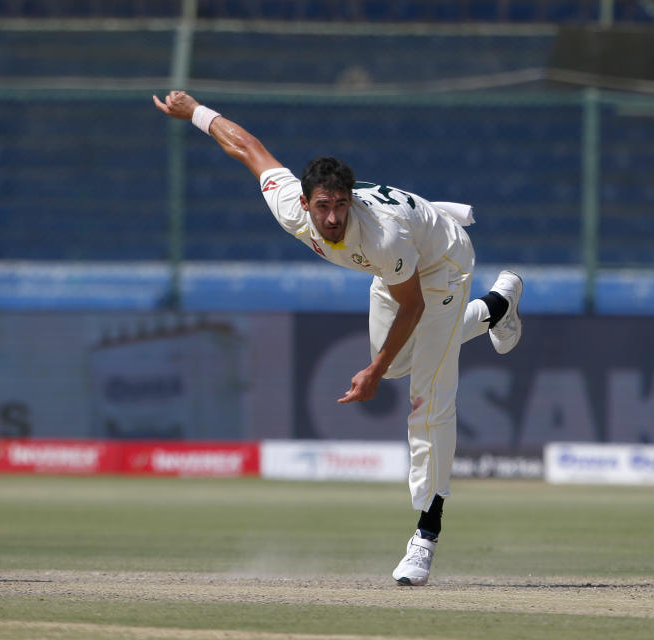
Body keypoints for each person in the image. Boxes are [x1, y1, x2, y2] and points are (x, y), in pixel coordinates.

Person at [154, 90, 523, 586]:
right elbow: (246, 148)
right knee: (399, 364)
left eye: (341, 207)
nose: (331, 218)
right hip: (396, 268)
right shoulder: (289, 206)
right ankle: (498, 306)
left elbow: (413, 304)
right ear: (304, 202)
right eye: (323, 206)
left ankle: (425, 536)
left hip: (440, 265)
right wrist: (193, 111)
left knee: (430, 396)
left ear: (351, 203)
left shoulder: (379, 236)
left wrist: (369, 372)